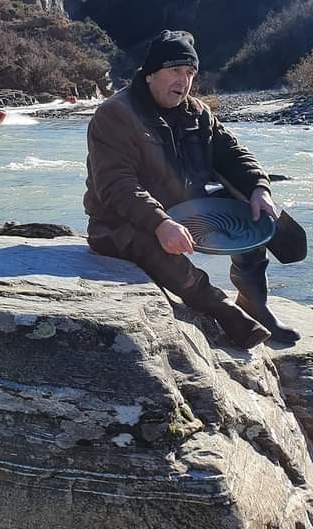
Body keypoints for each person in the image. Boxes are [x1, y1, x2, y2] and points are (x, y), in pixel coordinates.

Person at [83, 30, 299, 348]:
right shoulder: (115, 115)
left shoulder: (197, 113)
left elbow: (233, 155)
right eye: (174, 71)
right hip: (118, 222)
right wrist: (161, 223)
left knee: (250, 210)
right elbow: (116, 185)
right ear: (150, 74)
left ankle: (253, 303)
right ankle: (221, 310)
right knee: (146, 240)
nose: (183, 81)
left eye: (190, 73)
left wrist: (258, 188)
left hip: (185, 210)